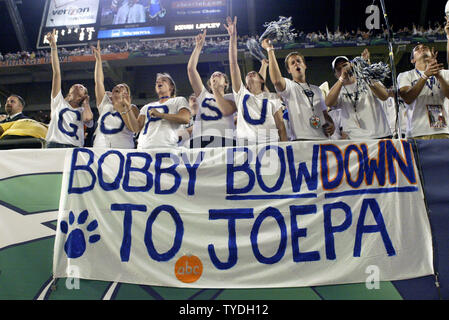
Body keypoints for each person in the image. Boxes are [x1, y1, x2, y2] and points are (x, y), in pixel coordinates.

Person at [226, 17, 288, 145]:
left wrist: (285, 149)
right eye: (248, 74)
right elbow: (233, 64)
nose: (249, 74)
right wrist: (233, 37)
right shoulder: (241, 94)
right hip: (246, 148)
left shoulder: (272, 97)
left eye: (254, 73)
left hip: (271, 146)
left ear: (261, 80)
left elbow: (281, 126)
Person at [261, 39, 334, 141]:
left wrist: (331, 124)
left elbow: (325, 114)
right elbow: (277, 80)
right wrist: (270, 50)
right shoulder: (289, 87)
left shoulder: (317, 90)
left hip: (322, 140)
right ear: (289, 70)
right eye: (292, 63)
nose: (296, 64)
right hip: (301, 141)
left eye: (299, 61)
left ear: (305, 65)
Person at [187, 28, 237, 148]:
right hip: (200, 141)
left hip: (225, 141)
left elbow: (226, 110)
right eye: (213, 75)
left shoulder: (232, 96)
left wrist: (215, 90)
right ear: (209, 83)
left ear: (226, 83)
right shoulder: (203, 95)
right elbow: (191, 69)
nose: (215, 75)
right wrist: (198, 47)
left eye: (219, 75)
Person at [324, 52, 392, 140]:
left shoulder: (366, 80)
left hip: (379, 135)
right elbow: (328, 102)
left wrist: (363, 73)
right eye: (338, 69)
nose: (343, 69)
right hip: (356, 139)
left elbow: (384, 96)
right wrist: (342, 78)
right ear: (336, 75)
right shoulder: (339, 90)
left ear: (351, 65)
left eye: (345, 65)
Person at [45, 29, 94, 148]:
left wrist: (86, 102)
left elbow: (88, 118)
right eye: (75, 85)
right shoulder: (58, 102)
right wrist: (53, 47)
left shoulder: (83, 110)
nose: (78, 86)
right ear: (69, 92)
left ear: (84, 95)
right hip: (54, 144)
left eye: (82, 88)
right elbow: (56, 73)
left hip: (75, 147)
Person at [91, 41, 139, 149]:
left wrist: (124, 107)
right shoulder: (104, 105)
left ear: (127, 95)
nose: (118, 87)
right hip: (100, 148)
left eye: (122, 88)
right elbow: (99, 82)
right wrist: (98, 60)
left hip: (123, 149)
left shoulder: (132, 108)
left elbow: (134, 128)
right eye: (116, 87)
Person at [124, 73, 191, 149]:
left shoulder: (179, 100)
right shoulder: (146, 106)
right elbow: (136, 129)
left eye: (164, 80)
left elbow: (185, 118)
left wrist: (160, 115)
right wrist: (127, 106)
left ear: (171, 87)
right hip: (144, 148)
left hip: (167, 147)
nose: (159, 82)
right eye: (157, 82)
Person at [398, 43, 449, 139]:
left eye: (425, 47)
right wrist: (425, 75)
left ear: (431, 53)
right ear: (413, 60)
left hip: (444, 131)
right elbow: (408, 98)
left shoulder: (445, 73)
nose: (422, 48)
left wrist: (439, 77)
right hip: (417, 132)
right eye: (417, 49)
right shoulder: (405, 75)